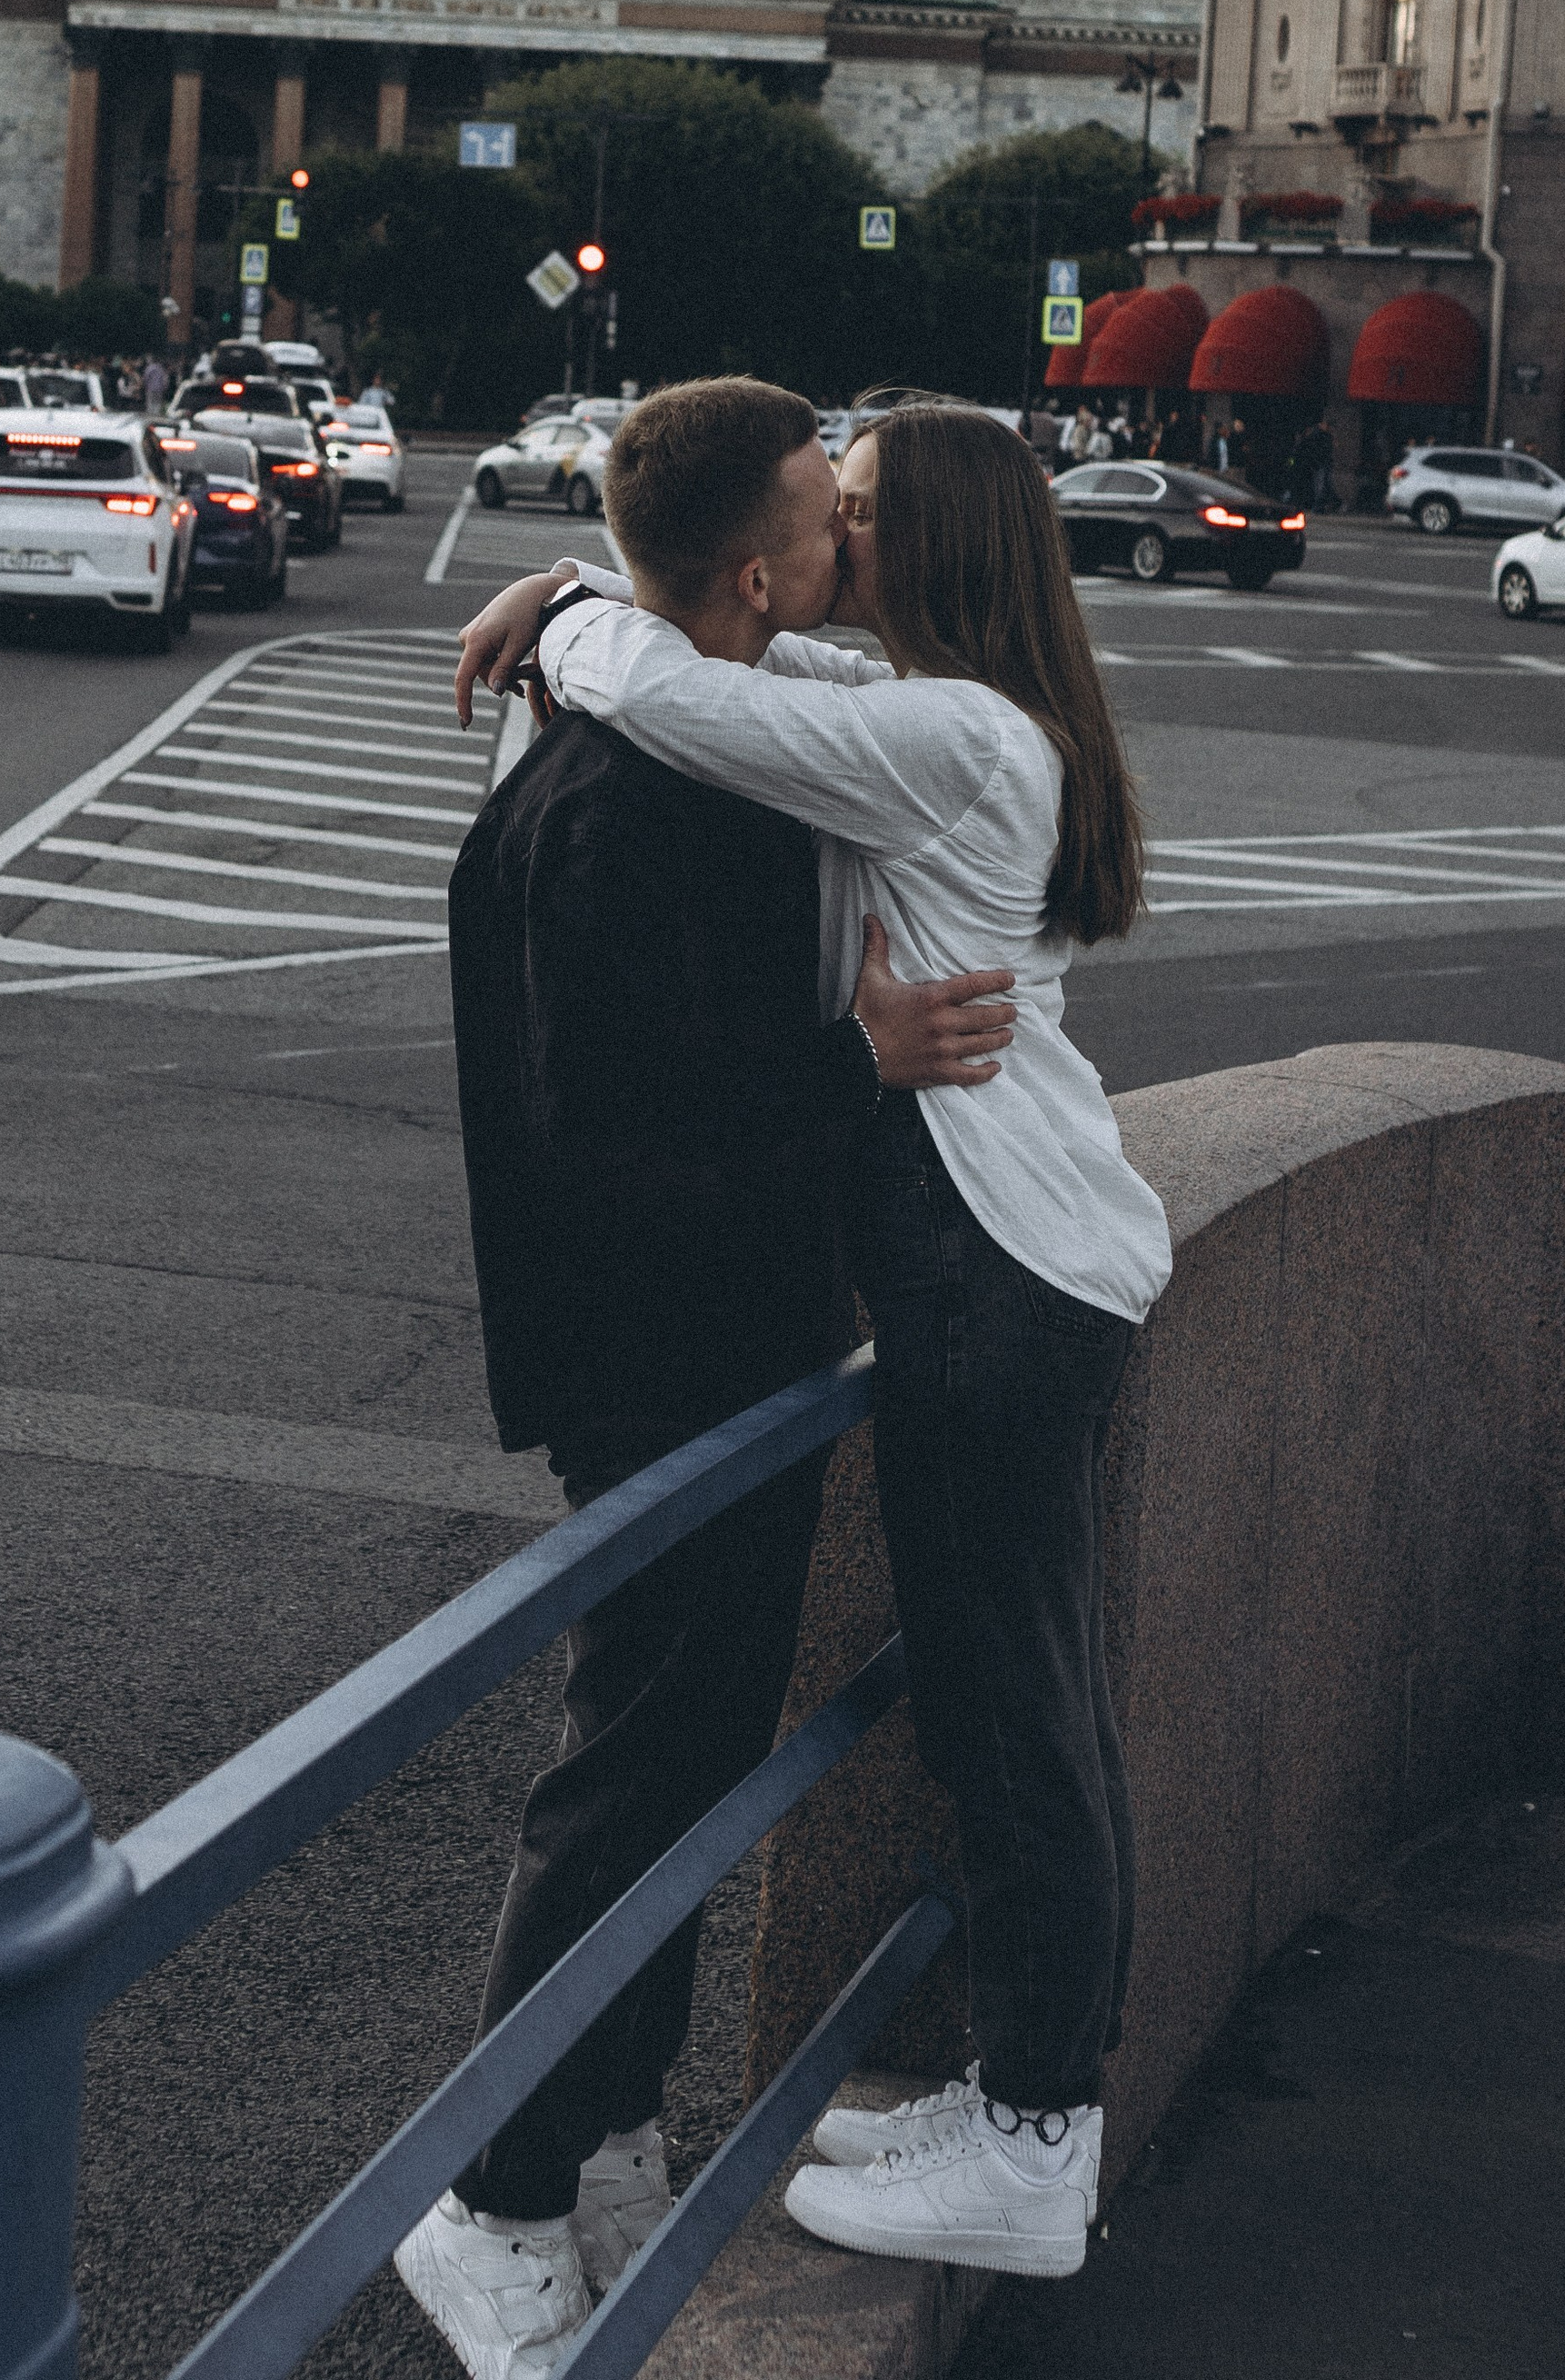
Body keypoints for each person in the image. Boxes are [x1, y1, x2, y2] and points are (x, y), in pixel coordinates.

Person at [456, 389, 1169, 2291]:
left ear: (919, 545)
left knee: (1009, 1700)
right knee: (1008, 1677)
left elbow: (689, 691)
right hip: (1006, 1246)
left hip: (991, 1257)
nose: (833, 545)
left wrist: (570, 602)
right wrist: (577, 578)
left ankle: (1031, 2129)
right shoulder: (942, 710)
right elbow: (728, 664)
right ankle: (1026, 2092)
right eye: (821, 511)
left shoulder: (938, 733)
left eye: (858, 513)